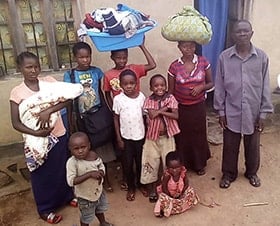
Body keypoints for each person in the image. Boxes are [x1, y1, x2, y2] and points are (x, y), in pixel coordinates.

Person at [9, 51, 77, 224]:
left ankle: (67, 196)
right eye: (29, 67)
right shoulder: (17, 93)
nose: (33, 70)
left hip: (58, 133)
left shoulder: (49, 83)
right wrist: (36, 133)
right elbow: (16, 123)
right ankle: (45, 208)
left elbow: (68, 100)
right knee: (42, 174)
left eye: (36, 66)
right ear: (20, 69)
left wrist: (49, 110)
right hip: (37, 141)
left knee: (62, 168)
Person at [213, 20, 273, 189]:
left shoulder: (261, 57)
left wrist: (263, 113)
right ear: (233, 35)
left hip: (253, 111)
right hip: (231, 110)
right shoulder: (224, 57)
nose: (242, 34)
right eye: (238, 32)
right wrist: (221, 111)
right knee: (230, 145)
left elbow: (265, 86)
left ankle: (252, 172)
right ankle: (228, 173)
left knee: (252, 145)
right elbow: (220, 85)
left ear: (251, 33)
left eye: (245, 31)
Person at [103, 39, 156, 190]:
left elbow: (152, 65)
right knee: (126, 160)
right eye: (118, 57)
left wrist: (142, 45)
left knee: (140, 159)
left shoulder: (134, 70)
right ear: (112, 57)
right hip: (124, 125)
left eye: (124, 57)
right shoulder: (109, 75)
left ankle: (141, 185)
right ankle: (130, 185)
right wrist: (111, 108)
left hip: (139, 130)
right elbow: (106, 93)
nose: (122, 60)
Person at [64, 42, 116, 192]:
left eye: (88, 56)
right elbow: (69, 99)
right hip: (81, 118)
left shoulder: (97, 72)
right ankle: (88, 180)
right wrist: (71, 121)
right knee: (86, 148)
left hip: (98, 114)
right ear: (75, 58)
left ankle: (105, 179)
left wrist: (107, 110)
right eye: (81, 57)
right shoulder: (70, 75)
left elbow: (100, 92)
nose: (85, 60)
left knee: (103, 147)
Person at [168, 41, 214, 175]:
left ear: (195, 47)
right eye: (184, 46)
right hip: (182, 108)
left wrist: (201, 87)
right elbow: (171, 91)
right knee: (183, 136)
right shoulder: (174, 66)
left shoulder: (203, 62)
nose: (188, 49)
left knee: (198, 135)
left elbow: (211, 83)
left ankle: (199, 164)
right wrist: (171, 108)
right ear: (179, 48)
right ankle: (184, 163)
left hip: (198, 107)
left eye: (191, 46)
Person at [140, 74, 180, 203]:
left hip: (167, 137)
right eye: (156, 86)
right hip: (152, 138)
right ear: (151, 87)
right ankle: (152, 189)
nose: (159, 88)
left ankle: (169, 188)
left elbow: (175, 115)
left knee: (168, 163)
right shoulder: (148, 100)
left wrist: (160, 111)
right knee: (150, 162)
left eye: (162, 85)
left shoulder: (171, 98)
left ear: (166, 86)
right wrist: (164, 108)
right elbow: (151, 115)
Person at [113, 69, 147, 201]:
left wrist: (147, 134)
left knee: (140, 163)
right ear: (120, 85)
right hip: (125, 138)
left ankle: (141, 185)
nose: (128, 86)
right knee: (127, 164)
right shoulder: (118, 99)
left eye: (131, 83)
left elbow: (145, 117)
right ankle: (131, 187)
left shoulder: (141, 97)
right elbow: (115, 118)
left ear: (136, 83)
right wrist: (118, 138)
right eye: (125, 83)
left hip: (140, 136)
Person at [66, 132, 113, 226]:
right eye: (76, 148)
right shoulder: (72, 162)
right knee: (86, 216)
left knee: (99, 209)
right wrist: (89, 174)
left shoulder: (94, 156)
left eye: (83, 147)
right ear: (70, 149)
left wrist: (101, 172)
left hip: (98, 191)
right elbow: (71, 181)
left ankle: (103, 222)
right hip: (85, 196)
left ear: (89, 145)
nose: (80, 151)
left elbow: (101, 166)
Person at [154, 151, 199, 218]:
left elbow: (186, 183)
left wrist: (182, 193)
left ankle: (176, 207)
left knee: (190, 191)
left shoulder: (183, 172)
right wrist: (170, 197)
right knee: (163, 198)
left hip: (180, 194)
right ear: (167, 167)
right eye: (171, 168)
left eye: (177, 168)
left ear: (181, 166)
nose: (174, 170)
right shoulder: (167, 176)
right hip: (169, 195)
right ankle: (169, 208)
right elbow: (164, 188)